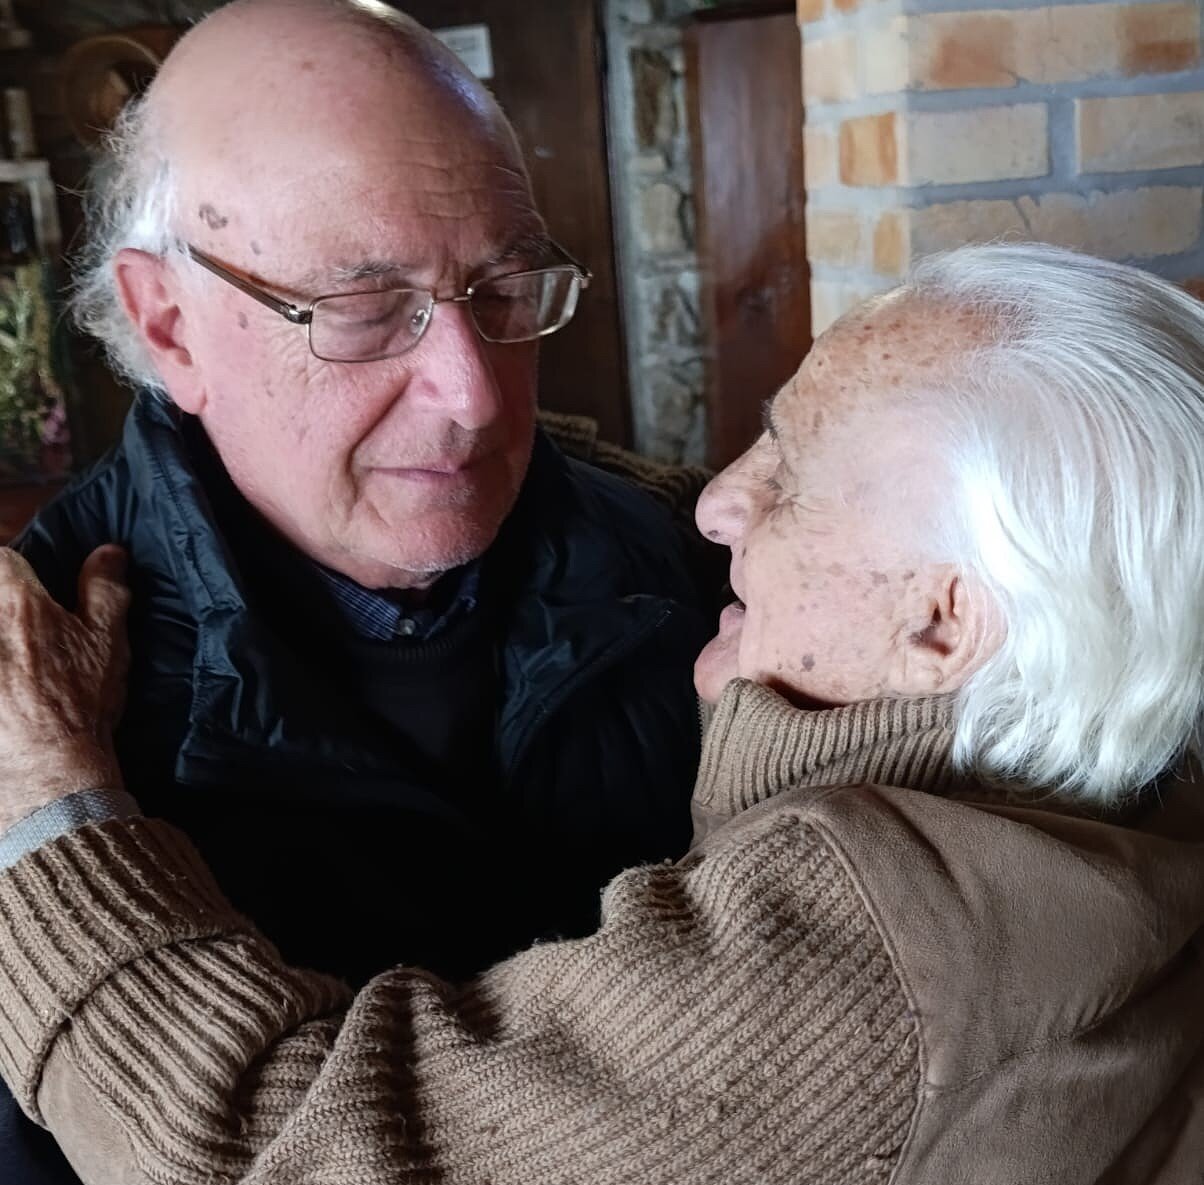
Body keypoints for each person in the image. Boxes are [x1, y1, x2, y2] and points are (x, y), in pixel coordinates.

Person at [0, 242, 1201, 1185]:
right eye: (367, 303)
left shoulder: (878, 952)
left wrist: (48, 803)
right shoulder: (1135, 732)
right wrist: (483, 468)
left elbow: (257, 1159)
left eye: (785, 475)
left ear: (943, 626)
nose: (721, 504)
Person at [3, 2, 717, 1181]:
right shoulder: (30, 744)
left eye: (503, 290)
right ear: (168, 322)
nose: (475, 396)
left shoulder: (690, 562)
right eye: (363, 308)